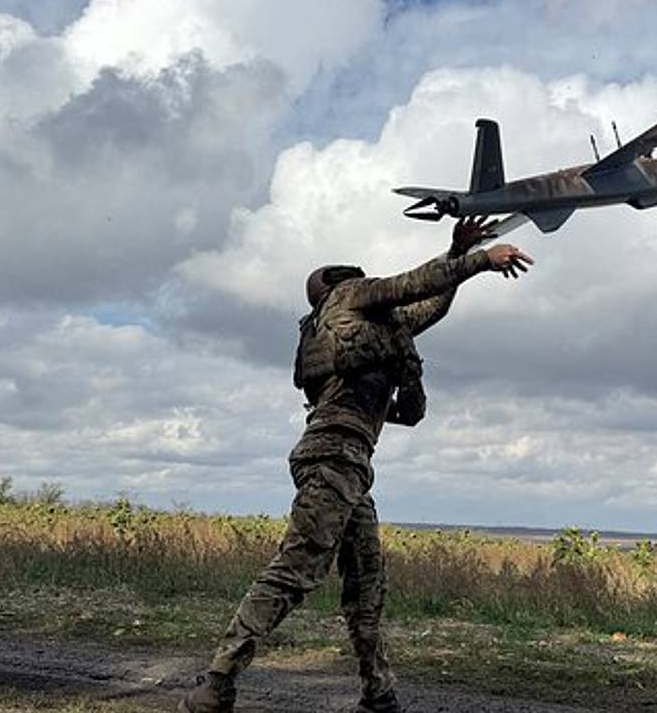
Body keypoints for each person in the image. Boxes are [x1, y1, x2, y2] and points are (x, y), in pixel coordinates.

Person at [180, 216, 534, 713]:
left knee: (367, 586)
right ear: (332, 289)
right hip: (334, 458)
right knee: (295, 572)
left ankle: (378, 694)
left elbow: (429, 306)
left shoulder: (366, 327)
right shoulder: (348, 299)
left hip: (348, 466)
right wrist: (478, 261)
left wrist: (456, 257)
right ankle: (216, 684)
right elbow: (411, 285)